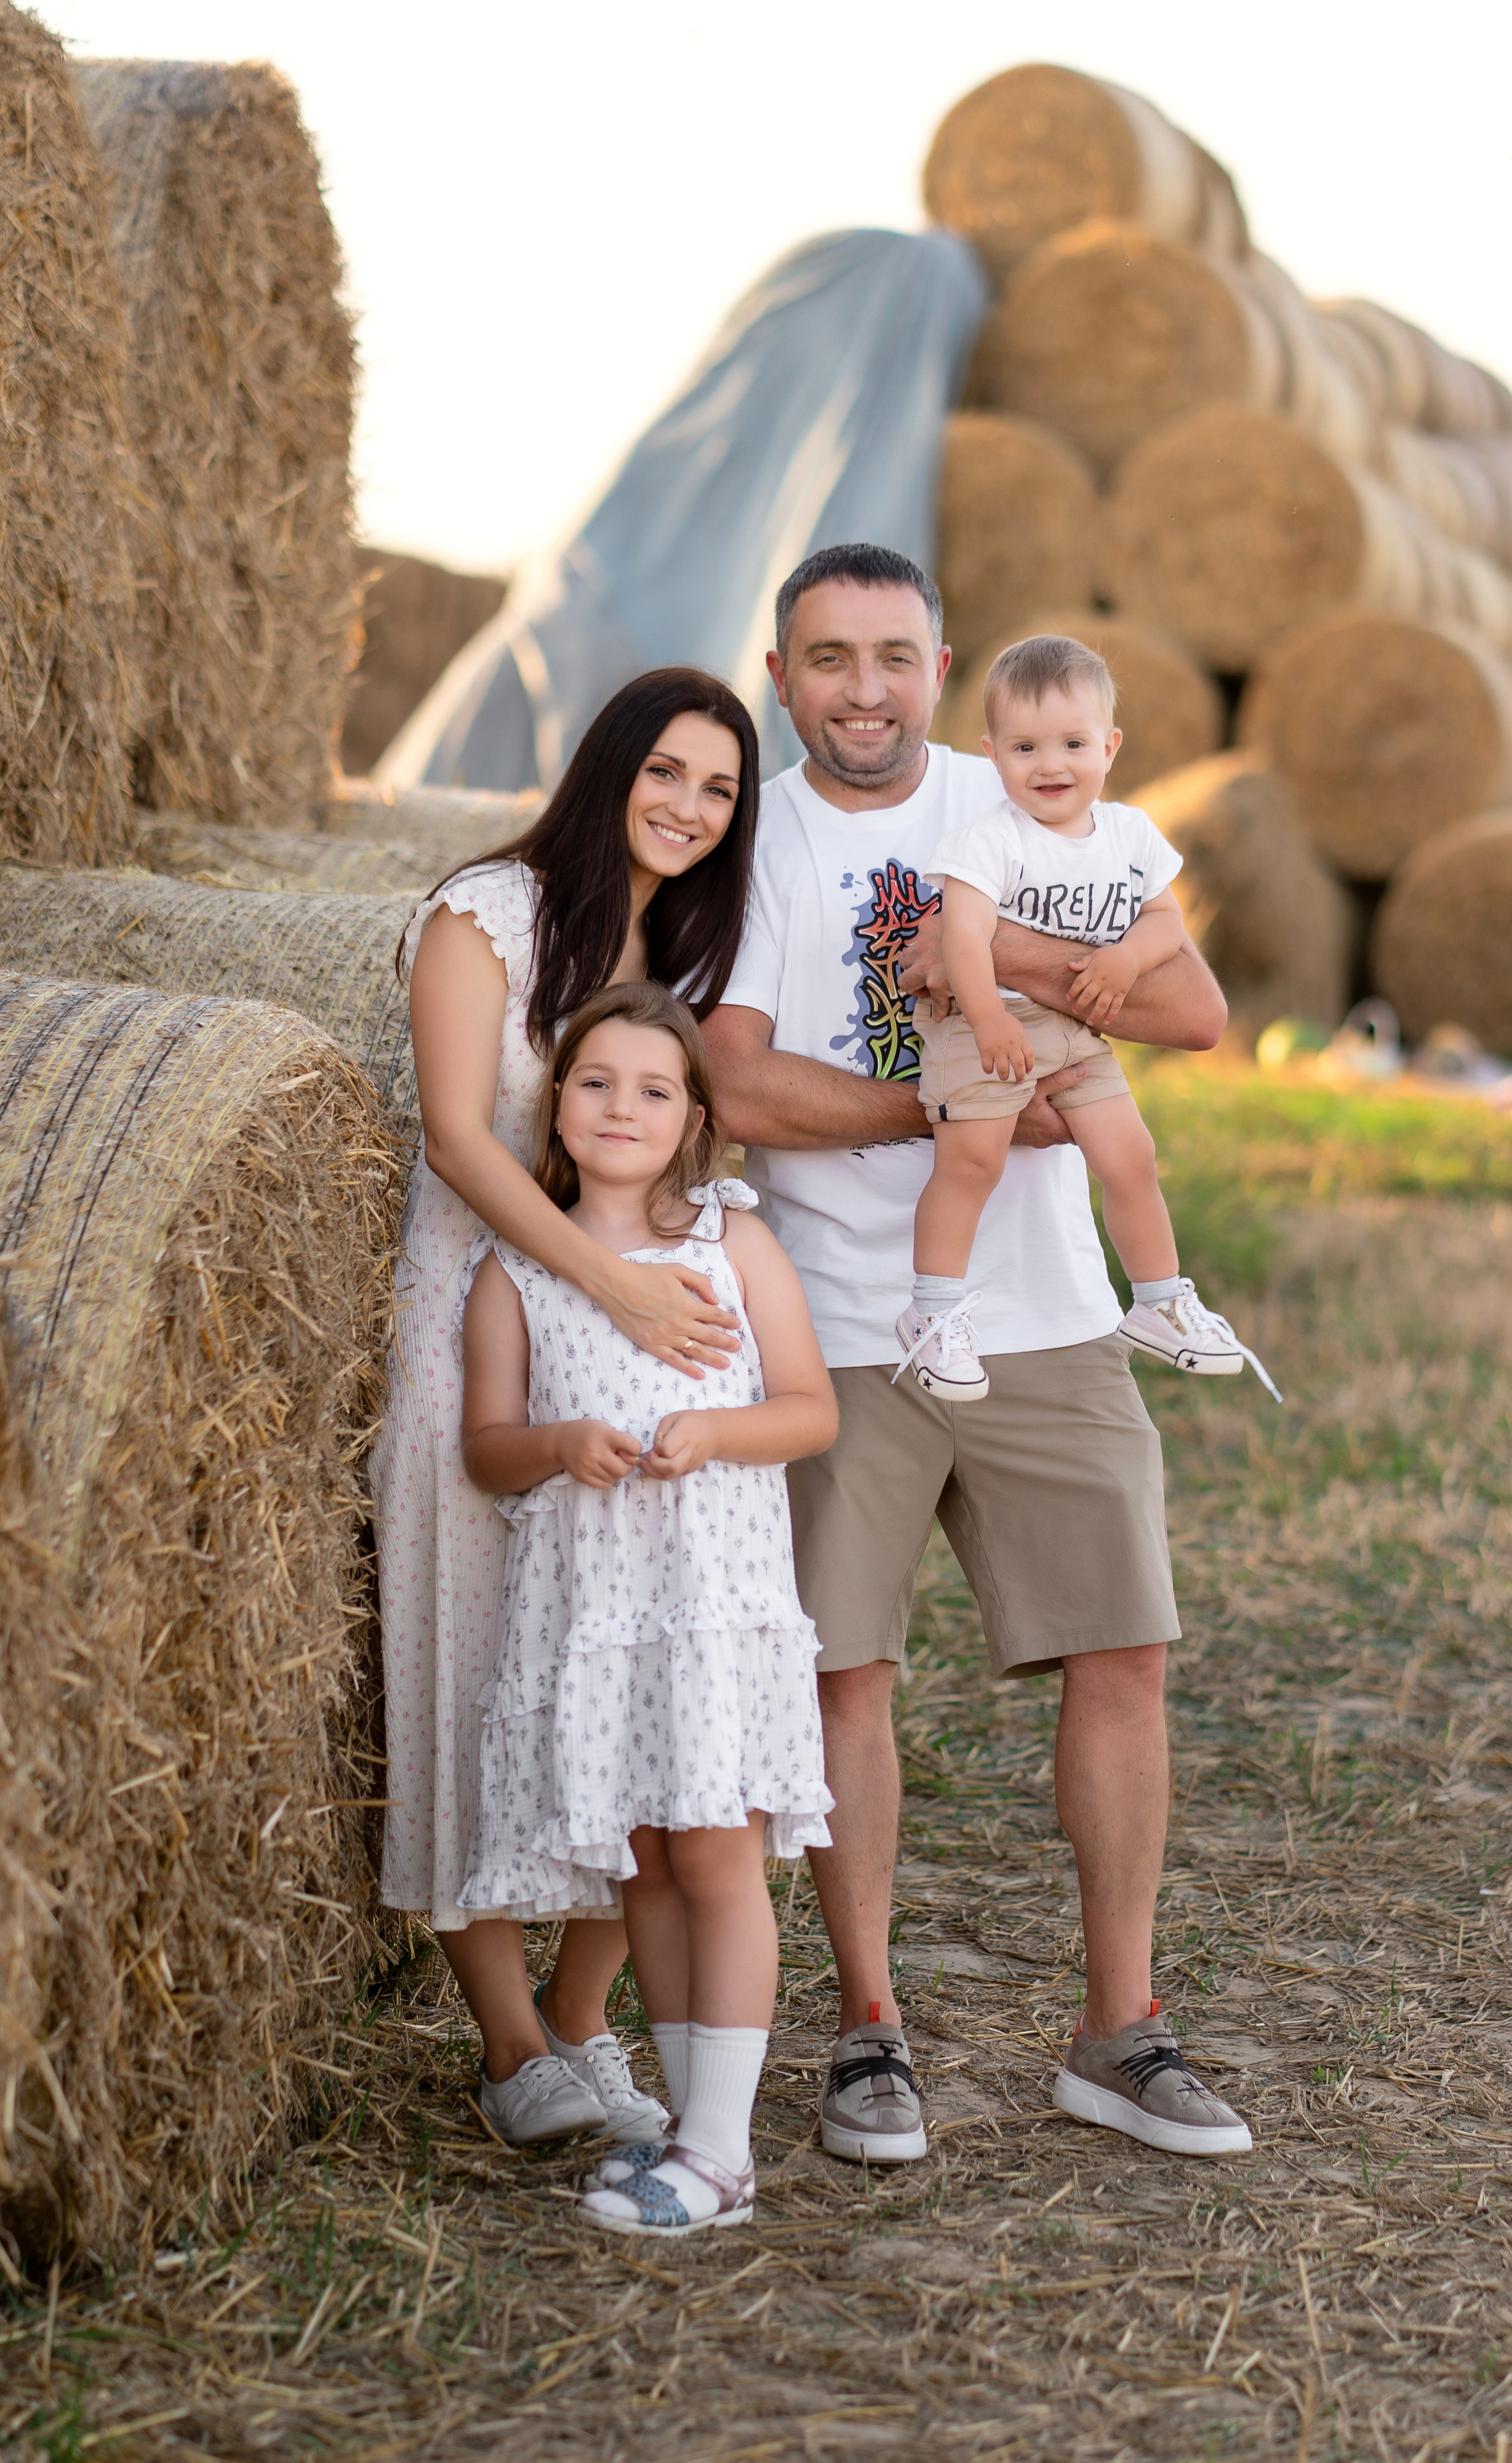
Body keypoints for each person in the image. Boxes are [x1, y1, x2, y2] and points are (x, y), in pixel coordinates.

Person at [703, 543, 1254, 2161]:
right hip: (838, 1314)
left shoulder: (1020, 790)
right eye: (826, 658)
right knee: (843, 1673)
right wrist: (956, 1105)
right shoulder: (753, 843)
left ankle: (1118, 2031)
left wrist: (999, 968)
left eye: (892, 654)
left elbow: (1188, 1003)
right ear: (779, 676)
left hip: (1050, 1311)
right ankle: (867, 2033)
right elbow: (737, 1084)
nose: (862, 688)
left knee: (1121, 1651)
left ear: (940, 668)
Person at [373, 668, 760, 2149]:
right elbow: (457, 1138)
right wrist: (610, 1282)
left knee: (625, 1665)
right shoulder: (488, 913)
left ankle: (585, 2016)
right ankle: (507, 2043)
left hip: (626, 1355)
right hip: (473, 1329)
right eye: (664, 770)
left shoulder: (677, 955)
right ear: (608, 767)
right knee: (472, 1663)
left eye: (717, 788)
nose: (686, 805)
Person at [457, 984, 837, 2236]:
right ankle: (691, 2138)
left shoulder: (730, 1242)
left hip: (710, 1606)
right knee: (653, 1867)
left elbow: (809, 1410)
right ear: (556, 1106)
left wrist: (714, 1433)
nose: (622, 1108)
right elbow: (486, 1450)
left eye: (654, 1089)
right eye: (596, 1082)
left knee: (716, 1853)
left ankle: (721, 2152)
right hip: (599, 1619)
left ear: (694, 1123)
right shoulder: (517, 1270)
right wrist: (558, 1444)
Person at [897, 630, 1277, 1407]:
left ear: (1109, 747)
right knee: (971, 1162)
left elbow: (1166, 920)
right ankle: (931, 1311)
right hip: (983, 1025)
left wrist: (1125, 961)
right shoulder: (986, 841)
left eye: (1073, 744)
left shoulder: (1130, 835)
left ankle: (1158, 1300)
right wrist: (989, 1022)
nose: (1051, 765)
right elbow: (962, 940)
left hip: (1072, 1031)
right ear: (992, 754)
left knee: (1130, 1157)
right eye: (1025, 747)